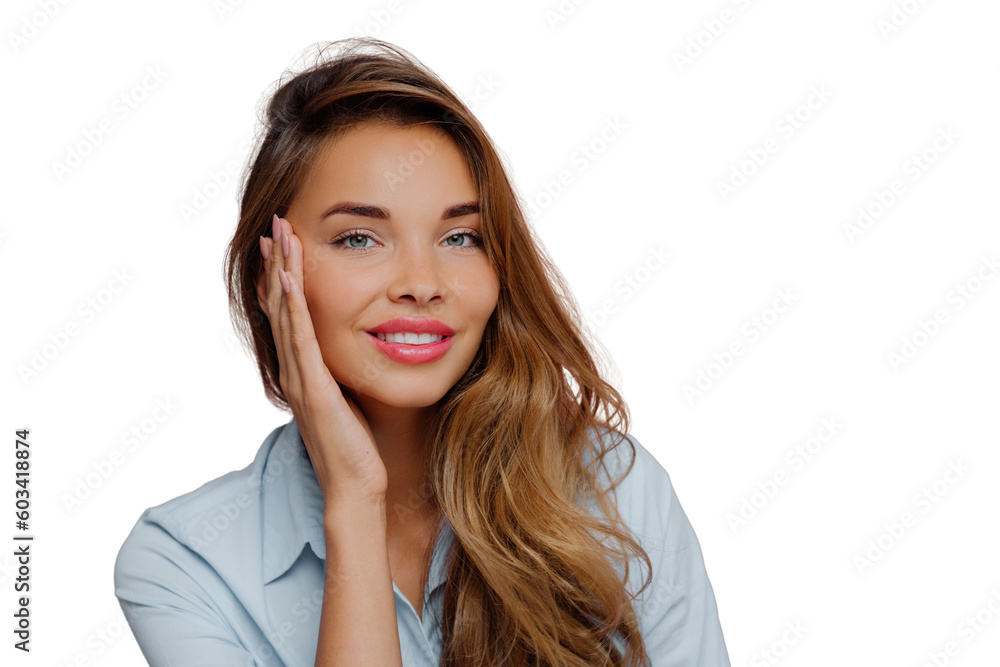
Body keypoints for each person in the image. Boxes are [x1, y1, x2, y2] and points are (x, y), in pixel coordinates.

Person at [114, 37, 732, 666]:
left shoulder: (613, 490)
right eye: (359, 238)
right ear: (271, 277)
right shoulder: (184, 563)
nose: (423, 282)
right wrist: (354, 500)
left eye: (461, 236)